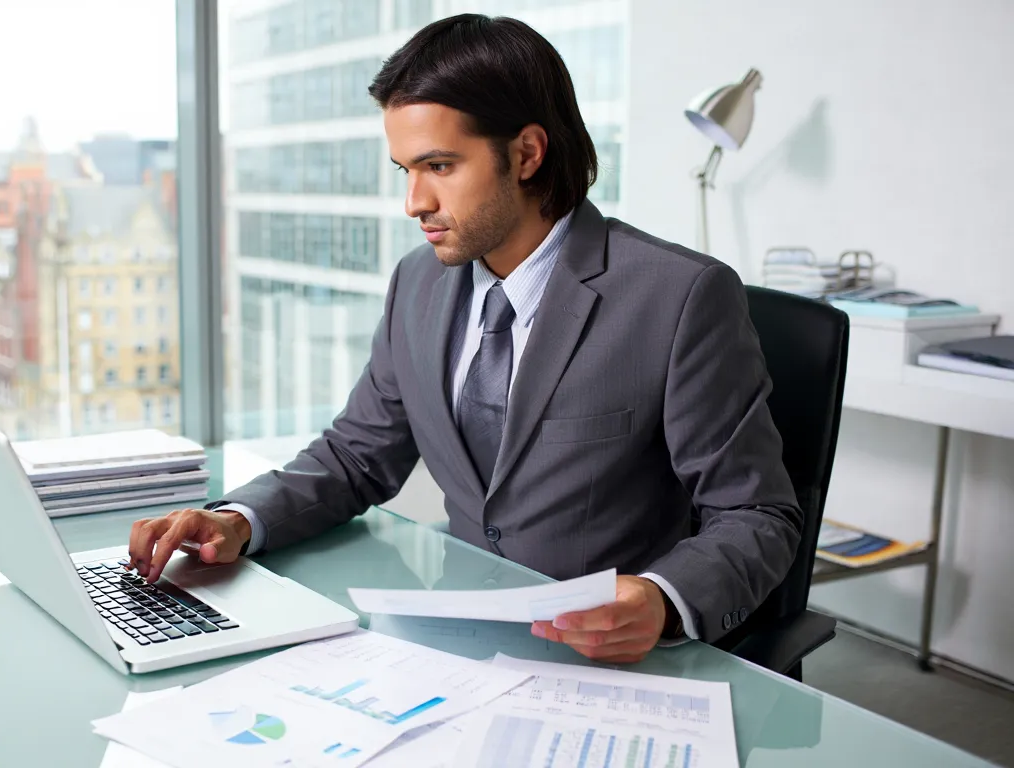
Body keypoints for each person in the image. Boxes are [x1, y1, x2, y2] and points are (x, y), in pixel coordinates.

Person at [128, 14, 801, 663]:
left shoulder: (679, 297)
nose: (414, 202)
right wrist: (239, 519)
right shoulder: (418, 283)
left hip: (607, 661)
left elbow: (757, 515)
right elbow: (358, 455)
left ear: (527, 153)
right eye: (405, 171)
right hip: (457, 643)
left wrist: (662, 599)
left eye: (440, 166)